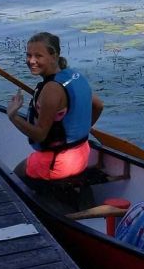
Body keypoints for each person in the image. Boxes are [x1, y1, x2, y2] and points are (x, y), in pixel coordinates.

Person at [6, 31, 103, 182]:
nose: (31, 61)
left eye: (38, 56)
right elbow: (98, 105)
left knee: (13, 176)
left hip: (57, 163)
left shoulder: (51, 89)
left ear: (54, 56)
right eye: (28, 55)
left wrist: (13, 115)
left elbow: (39, 135)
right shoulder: (73, 76)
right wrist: (80, 128)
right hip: (82, 155)